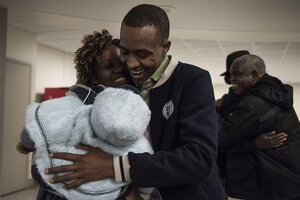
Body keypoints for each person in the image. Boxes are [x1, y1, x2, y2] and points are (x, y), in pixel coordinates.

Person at [44, 4, 227, 200]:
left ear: (165, 48)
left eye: (142, 54)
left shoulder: (192, 80)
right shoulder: (123, 82)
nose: (131, 63)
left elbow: (199, 158)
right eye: (125, 51)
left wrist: (113, 166)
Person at [17, 29, 145, 200]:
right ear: (92, 74)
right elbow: (38, 126)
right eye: (108, 66)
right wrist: (27, 142)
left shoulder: (132, 99)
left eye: (121, 63)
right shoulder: (81, 99)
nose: (119, 70)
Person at [218, 54, 300, 199]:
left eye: (237, 75)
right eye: (231, 75)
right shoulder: (274, 93)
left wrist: (214, 110)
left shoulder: (254, 104)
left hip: (273, 184)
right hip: (286, 182)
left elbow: (219, 138)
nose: (231, 80)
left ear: (254, 75)